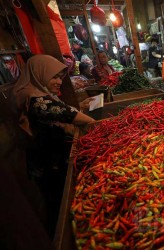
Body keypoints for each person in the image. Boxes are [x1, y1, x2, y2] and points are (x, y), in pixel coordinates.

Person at [13, 54, 95, 238]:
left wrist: (80, 106)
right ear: (40, 74)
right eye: (54, 77)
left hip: (52, 156)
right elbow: (68, 115)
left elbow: (59, 111)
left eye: (61, 77)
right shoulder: (36, 100)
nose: (59, 81)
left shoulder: (39, 94)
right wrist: (99, 124)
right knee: (60, 203)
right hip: (49, 160)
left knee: (64, 200)